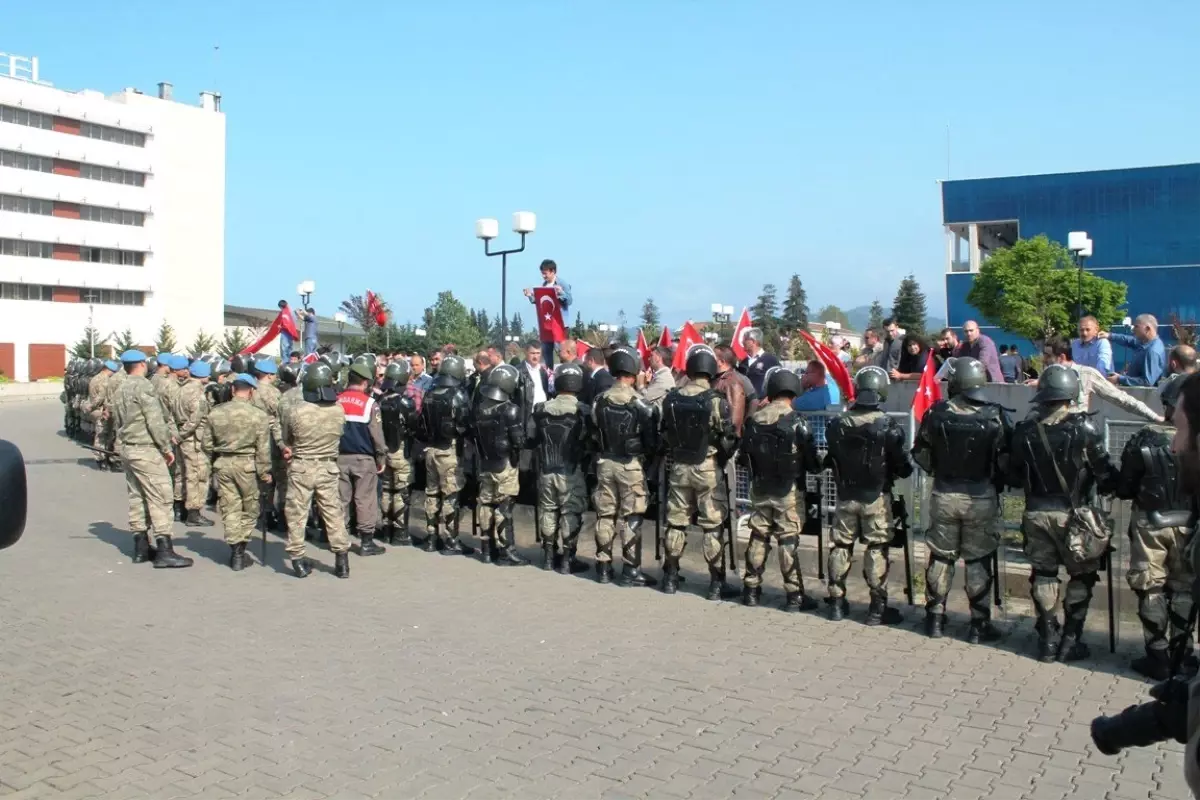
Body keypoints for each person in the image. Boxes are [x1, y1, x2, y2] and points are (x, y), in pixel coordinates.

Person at [1008, 365, 1118, 662]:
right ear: (1071, 394)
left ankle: (1047, 639)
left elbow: (1013, 474)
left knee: (1043, 574)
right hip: (1075, 517)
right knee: (1081, 576)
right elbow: (1105, 474)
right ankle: (1070, 640)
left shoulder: (1025, 431)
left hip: (1036, 513)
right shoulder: (1086, 429)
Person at [911, 358, 1012, 642]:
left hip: (944, 493)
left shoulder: (936, 414)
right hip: (980, 496)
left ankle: (934, 620)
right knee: (978, 559)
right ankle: (979, 625)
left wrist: (939, 469)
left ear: (956, 382)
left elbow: (921, 454)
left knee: (941, 556)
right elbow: (1006, 461)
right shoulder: (995, 416)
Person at [1115, 374, 1196, 680]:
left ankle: (1158, 655)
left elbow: (1124, 487)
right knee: (1185, 589)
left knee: (1151, 589)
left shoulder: (1144, 439)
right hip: (1190, 525)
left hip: (1150, 524)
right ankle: (1183, 655)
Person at [824, 367, 913, 624]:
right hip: (876, 497)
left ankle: (837, 604)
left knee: (841, 546)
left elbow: (831, 457)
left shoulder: (837, 424)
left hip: (845, 496)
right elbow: (903, 466)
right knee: (876, 548)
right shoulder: (888, 426)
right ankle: (877, 609)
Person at [740, 367, 823, 610]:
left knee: (758, 535)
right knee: (788, 540)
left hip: (760, 487)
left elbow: (745, 457)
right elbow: (812, 462)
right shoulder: (798, 422)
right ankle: (794, 596)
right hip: (787, 490)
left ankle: (751, 590)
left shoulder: (754, 420)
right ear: (794, 391)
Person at [660, 345, 738, 597]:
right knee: (712, 524)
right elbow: (729, 438)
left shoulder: (672, 398)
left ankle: (670, 577)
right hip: (707, 468)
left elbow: (664, 433)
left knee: (676, 521)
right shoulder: (716, 401)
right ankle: (716, 583)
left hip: (679, 466)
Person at [110, 350, 192, 569]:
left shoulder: (120, 388)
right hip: (146, 449)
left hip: (128, 448)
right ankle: (165, 550)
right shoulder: (144, 387)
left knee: (137, 497)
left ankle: (141, 547)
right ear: (142, 365)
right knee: (160, 497)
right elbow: (154, 420)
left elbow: (116, 421)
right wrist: (166, 447)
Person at [589, 346, 660, 586]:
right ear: (633, 370)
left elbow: (593, 432)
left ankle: (603, 567)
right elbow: (651, 442)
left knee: (605, 513)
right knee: (632, 516)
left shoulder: (599, 400)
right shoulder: (641, 403)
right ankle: (630, 570)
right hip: (630, 466)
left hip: (605, 463)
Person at [281, 362, 351, 578]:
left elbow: (287, 439)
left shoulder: (296, 411)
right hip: (328, 466)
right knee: (333, 512)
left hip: (302, 465)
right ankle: (342, 561)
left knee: (296, 514)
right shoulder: (339, 410)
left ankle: (298, 560)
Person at [200, 372, 270, 571]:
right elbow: (263, 449)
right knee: (250, 508)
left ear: (232, 389)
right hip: (248, 466)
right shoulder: (258, 415)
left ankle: (235, 550)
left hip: (223, 464)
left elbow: (206, 444)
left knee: (230, 507)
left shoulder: (216, 412)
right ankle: (242, 545)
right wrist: (265, 473)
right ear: (251, 392)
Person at [529, 363, 592, 573]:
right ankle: (567, 560)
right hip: (571, 472)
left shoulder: (540, 409)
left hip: (546, 470)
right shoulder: (583, 411)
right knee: (570, 513)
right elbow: (592, 441)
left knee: (548, 510)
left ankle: (548, 558)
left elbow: (531, 438)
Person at [470, 364, 527, 565]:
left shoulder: (479, 409)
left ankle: (487, 550)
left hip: (485, 464)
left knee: (486, 504)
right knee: (504, 508)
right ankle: (506, 551)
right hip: (505, 465)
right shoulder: (510, 410)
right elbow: (519, 441)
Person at [414, 355, 471, 553]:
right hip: (450, 451)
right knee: (450, 495)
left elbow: (421, 425)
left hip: (431, 450)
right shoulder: (458, 395)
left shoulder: (429, 393)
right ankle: (451, 540)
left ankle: (431, 537)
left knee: (431, 493)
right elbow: (464, 426)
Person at [1040, 337, 1163, 422]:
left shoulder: (1086, 374)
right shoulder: (1047, 376)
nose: (1043, 359)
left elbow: (1120, 398)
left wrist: (1154, 417)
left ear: (1061, 357)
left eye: (1047, 355)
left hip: (1073, 439)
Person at [338, 358, 388, 557]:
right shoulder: (370, 404)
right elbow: (377, 434)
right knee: (364, 499)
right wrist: (381, 458)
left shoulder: (336, 399)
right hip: (363, 459)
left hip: (339, 457)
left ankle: (340, 540)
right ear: (366, 382)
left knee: (341, 499)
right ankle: (366, 542)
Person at [379, 360, 418, 545]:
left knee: (387, 490)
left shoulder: (380, 401)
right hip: (401, 450)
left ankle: (386, 529)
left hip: (384, 451)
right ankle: (400, 532)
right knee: (401, 492)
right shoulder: (405, 402)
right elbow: (413, 426)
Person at [173, 359, 213, 527]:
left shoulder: (181, 389)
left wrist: (176, 434)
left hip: (182, 435)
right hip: (193, 439)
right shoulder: (198, 393)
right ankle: (194, 513)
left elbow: (172, 413)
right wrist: (182, 435)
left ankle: (178, 508)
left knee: (181, 473)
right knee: (197, 475)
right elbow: (195, 419)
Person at [524, 258, 573, 367]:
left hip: (560, 324)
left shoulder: (562, 283)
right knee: (546, 351)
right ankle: (549, 373)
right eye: (542, 274)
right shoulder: (544, 285)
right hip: (547, 324)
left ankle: (565, 370)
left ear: (553, 272)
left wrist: (561, 292)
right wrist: (530, 296)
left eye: (545, 274)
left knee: (561, 351)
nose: (544, 276)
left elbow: (569, 300)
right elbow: (541, 302)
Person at [1105, 314, 1166, 387]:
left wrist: (1119, 379)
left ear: (1147, 329)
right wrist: (1110, 335)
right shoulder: (1146, 343)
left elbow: (1147, 382)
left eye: (1136, 326)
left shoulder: (1151, 351)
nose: (1133, 329)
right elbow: (1130, 340)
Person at [86, 359, 117, 468]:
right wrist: (93, 406)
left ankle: (100, 458)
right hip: (101, 411)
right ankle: (101, 459)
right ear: (109, 370)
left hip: (96, 411)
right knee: (102, 435)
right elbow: (101, 397)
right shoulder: (104, 379)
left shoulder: (95, 378)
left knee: (100, 434)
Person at [712, 345, 748, 436]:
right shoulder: (715, 379)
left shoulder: (732, 382)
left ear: (721, 362)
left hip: (723, 441)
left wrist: (730, 439)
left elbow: (735, 419)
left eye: (712, 358)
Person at [739, 329, 781, 397]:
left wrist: (769, 397)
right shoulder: (743, 363)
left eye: (745, 339)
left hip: (763, 405)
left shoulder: (771, 360)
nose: (742, 342)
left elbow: (780, 381)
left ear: (753, 341)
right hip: (745, 404)